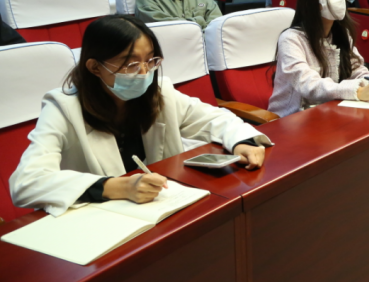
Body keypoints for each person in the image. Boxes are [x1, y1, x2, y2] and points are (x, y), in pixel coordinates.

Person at [9, 15, 271, 217]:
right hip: (102, 219)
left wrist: (243, 142)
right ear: (95, 67)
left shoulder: (160, 92)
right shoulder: (63, 108)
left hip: (163, 210)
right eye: (130, 63)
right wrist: (120, 187)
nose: (144, 72)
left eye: (150, 60)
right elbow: (26, 183)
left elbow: (215, 119)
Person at [268, 0, 369, 116]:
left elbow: (355, 68)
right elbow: (307, 84)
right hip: (292, 117)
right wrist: (357, 91)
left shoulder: (342, 33)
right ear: (312, 2)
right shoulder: (291, 39)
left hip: (328, 109)